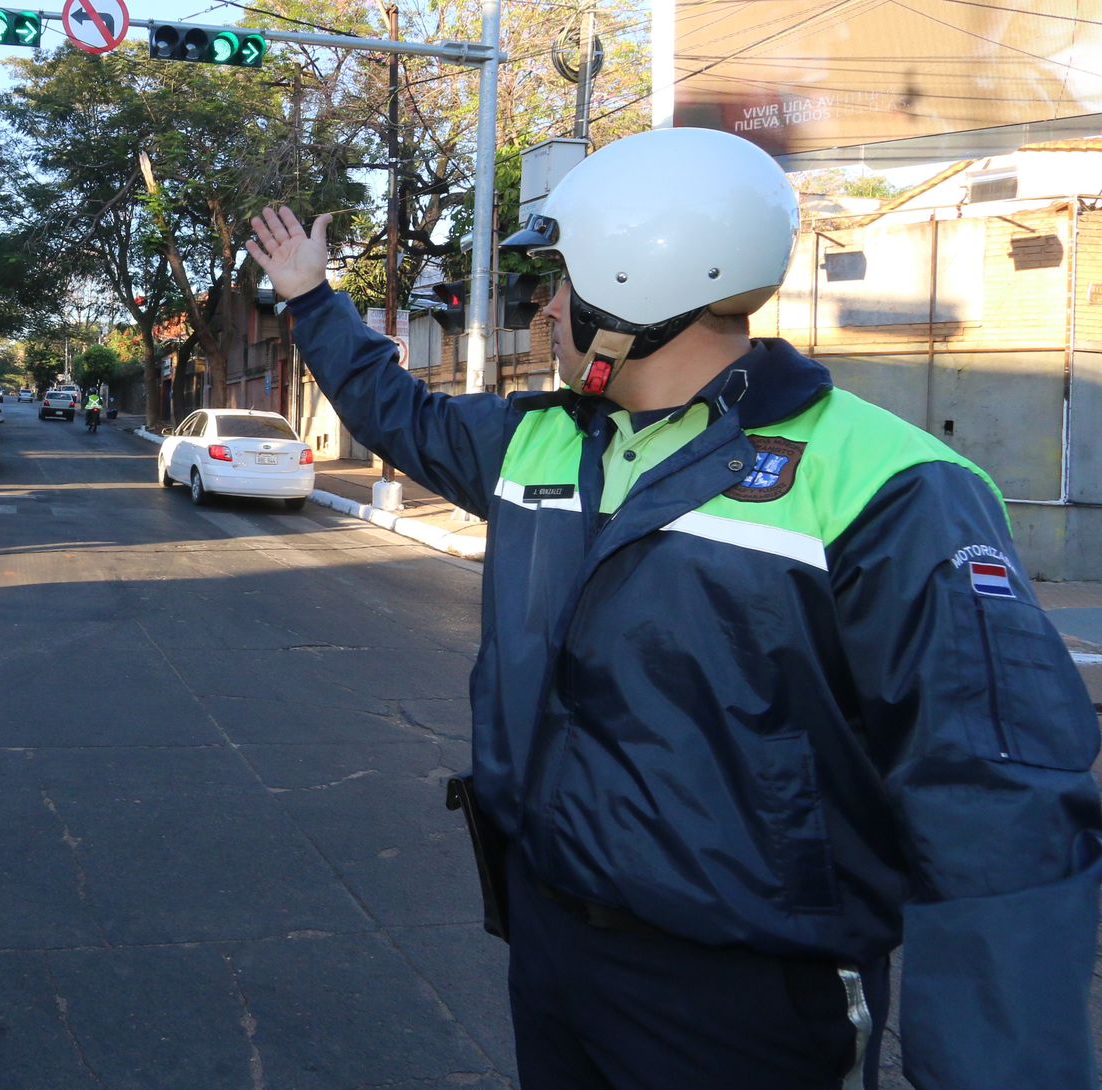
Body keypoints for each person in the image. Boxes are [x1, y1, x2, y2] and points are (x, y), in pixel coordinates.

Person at [245, 126, 1102, 1090]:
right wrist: (312, 301)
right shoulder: (540, 442)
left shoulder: (893, 484)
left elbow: (997, 799)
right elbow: (396, 410)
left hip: (744, 998)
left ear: (635, 277)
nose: (549, 311)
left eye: (561, 284)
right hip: (554, 945)